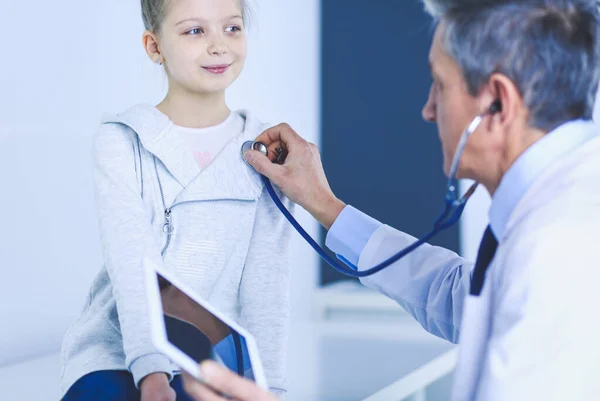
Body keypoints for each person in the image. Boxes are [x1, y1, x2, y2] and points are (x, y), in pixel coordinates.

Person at [182, 0, 600, 400]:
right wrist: (323, 204)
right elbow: (459, 296)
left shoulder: (559, 252)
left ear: (496, 102)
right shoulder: (559, 208)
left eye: (439, 84)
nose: (428, 110)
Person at [59, 0, 293, 400]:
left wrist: (268, 388)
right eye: (194, 31)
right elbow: (132, 262)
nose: (219, 45)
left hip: (208, 362)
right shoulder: (122, 140)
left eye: (232, 28)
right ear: (155, 47)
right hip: (118, 353)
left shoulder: (270, 151)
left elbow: (266, 289)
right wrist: (152, 373)